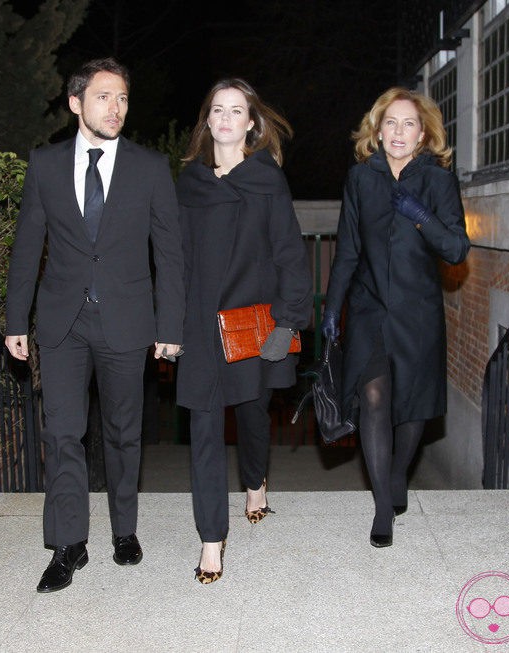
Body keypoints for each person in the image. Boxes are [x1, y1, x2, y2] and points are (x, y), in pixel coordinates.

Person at [5, 57, 185, 593]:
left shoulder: (150, 168)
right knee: (62, 433)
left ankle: (124, 531)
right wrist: (17, 319)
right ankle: (68, 545)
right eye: (105, 97)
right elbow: (27, 247)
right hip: (62, 321)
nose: (117, 108)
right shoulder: (44, 164)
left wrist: (170, 326)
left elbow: (169, 256)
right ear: (76, 103)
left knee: (124, 433)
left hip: (128, 321)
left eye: (124, 98)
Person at [176, 78, 312, 584]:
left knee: (252, 415)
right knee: (205, 428)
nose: (227, 118)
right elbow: (174, 260)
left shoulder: (266, 179)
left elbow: (289, 254)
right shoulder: (188, 184)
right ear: (207, 120)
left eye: (237, 110)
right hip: (199, 325)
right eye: (218, 109)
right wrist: (169, 324)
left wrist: (289, 319)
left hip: (250, 325)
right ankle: (212, 539)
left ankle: (255, 481)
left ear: (252, 121)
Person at [322, 88, 470, 548]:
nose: (399, 132)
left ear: (423, 133)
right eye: (391, 122)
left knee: (412, 409)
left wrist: (421, 215)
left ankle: (398, 473)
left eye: (408, 124)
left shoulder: (438, 180)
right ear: (377, 129)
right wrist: (331, 308)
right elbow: (347, 250)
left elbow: (457, 248)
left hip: (418, 310)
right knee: (373, 395)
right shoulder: (361, 179)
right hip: (369, 307)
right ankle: (383, 506)